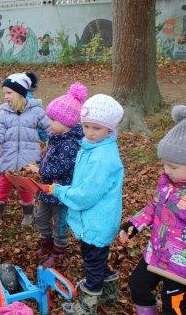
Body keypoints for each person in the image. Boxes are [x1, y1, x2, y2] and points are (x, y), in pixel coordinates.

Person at [118, 105, 186, 315]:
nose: (166, 170)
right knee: (138, 286)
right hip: (156, 254)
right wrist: (134, 224)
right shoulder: (168, 181)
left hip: (181, 266)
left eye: (173, 167)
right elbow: (154, 205)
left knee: (172, 306)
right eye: (165, 164)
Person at [46, 94, 124, 314]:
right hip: (96, 219)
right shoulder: (93, 147)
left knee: (92, 261)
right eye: (86, 126)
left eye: (96, 128)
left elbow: (86, 195)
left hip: (96, 220)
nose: (89, 132)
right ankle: (109, 292)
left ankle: (87, 304)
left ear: (109, 129)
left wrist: (59, 190)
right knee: (97, 258)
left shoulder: (101, 157)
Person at [25, 82, 87, 268]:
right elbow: (48, 158)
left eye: (52, 120)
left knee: (60, 223)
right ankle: (46, 243)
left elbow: (62, 168)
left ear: (67, 123)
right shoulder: (56, 137)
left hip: (61, 193)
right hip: (47, 190)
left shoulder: (71, 143)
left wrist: (40, 170)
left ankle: (59, 250)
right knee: (41, 218)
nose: (48, 123)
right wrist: (38, 163)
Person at [0, 72, 50, 226]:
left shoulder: (37, 111)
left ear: (21, 93)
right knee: (2, 188)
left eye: (9, 93)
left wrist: (53, 144)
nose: (6, 96)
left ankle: (28, 214)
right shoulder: (5, 112)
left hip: (28, 161)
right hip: (8, 157)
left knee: (25, 189)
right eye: (4, 93)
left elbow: (49, 130)